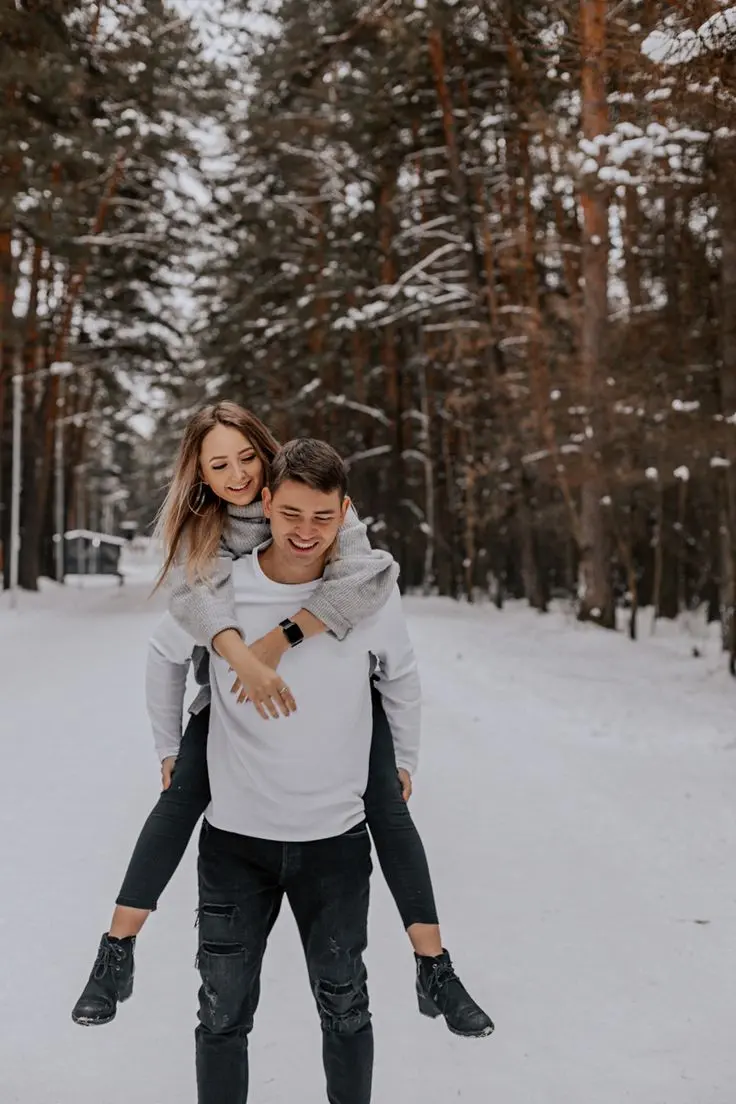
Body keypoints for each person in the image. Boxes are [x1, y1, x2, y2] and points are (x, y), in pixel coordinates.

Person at [71, 403, 492, 1042]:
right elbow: (183, 621)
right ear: (202, 476)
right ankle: (116, 949)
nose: (237, 474)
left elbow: (362, 589)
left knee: (388, 806)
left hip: (343, 696)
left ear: (267, 458)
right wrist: (174, 737)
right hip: (226, 699)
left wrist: (280, 641)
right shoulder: (205, 530)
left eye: (247, 457)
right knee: (178, 799)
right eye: (219, 465)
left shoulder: (319, 506)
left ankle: (434, 965)